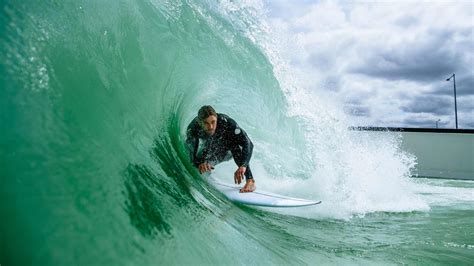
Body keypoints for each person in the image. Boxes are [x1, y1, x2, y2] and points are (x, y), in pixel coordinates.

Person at [186, 105, 256, 193]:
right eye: (206, 123)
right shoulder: (193, 129)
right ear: (200, 122)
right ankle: (207, 176)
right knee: (202, 160)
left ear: (216, 118)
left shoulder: (226, 122)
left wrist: (243, 166)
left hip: (227, 150)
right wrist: (199, 163)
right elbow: (192, 153)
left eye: (213, 122)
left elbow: (249, 143)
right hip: (211, 151)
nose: (211, 126)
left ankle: (250, 181)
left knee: (234, 144)